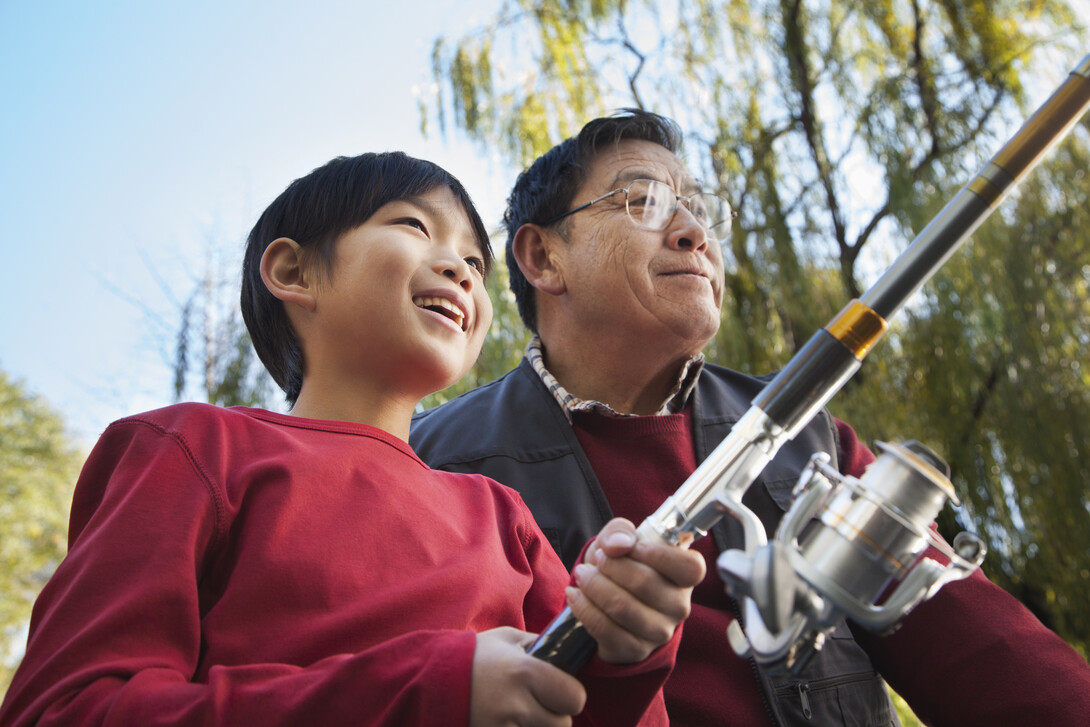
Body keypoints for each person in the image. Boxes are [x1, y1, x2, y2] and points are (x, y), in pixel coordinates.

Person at [410, 110, 1090, 725]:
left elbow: (983, 648)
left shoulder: (812, 439)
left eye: (700, 209)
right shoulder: (434, 463)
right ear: (541, 256)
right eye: (644, 200)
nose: (693, 232)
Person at [0, 151, 707, 727]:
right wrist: (427, 692)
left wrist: (621, 647)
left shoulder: (500, 516)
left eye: (475, 261)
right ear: (292, 271)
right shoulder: (191, 448)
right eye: (413, 225)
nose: (460, 267)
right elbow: (65, 707)